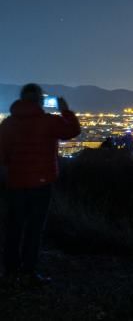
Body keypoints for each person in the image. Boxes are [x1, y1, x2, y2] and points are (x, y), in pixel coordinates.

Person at [0, 84, 80, 285]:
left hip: (15, 182)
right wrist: (65, 110)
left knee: (14, 227)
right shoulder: (48, 122)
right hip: (41, 183)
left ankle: (10, 270)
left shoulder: (8, 124)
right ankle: (29, 271)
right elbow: (73, 130)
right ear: (40, 101)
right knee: (34, 229)